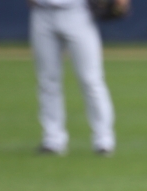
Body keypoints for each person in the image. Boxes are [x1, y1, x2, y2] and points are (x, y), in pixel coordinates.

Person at [28, 0, 116, 156]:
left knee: (91, 79)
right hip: (42, 11)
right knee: (47, 80)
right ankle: (53, 139)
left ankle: (104, 139)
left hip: (76, 11)